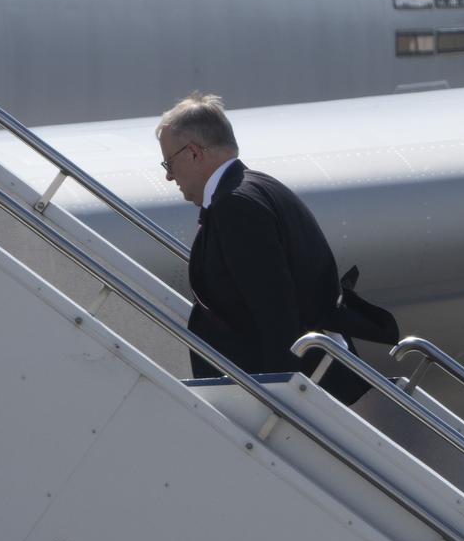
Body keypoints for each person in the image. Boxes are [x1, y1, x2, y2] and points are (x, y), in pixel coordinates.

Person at [156, 92, 397, 403]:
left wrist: (280, 398)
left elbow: (275, 311)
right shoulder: (259, 187)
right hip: (317, 377)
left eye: (169, 162)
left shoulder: (236, 205)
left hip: (301, 393)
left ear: (193, 153)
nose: (168, 175)